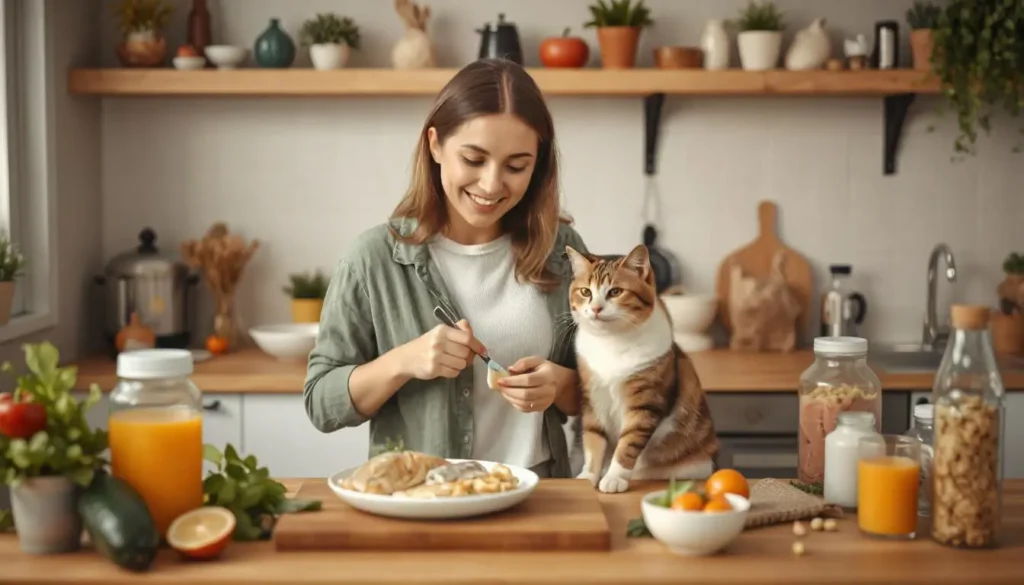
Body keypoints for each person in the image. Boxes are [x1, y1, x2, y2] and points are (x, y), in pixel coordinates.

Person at [303, 58, 591, 479]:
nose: (492, 184)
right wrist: (404, 361)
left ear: (538, 163)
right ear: (435, 145)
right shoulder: (373, 259)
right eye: (473, 159)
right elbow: (320, 403)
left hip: (538, 496)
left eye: (516, 166)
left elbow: (612, 384)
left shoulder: (562, 251)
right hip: (421, 499)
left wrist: (563, 386)